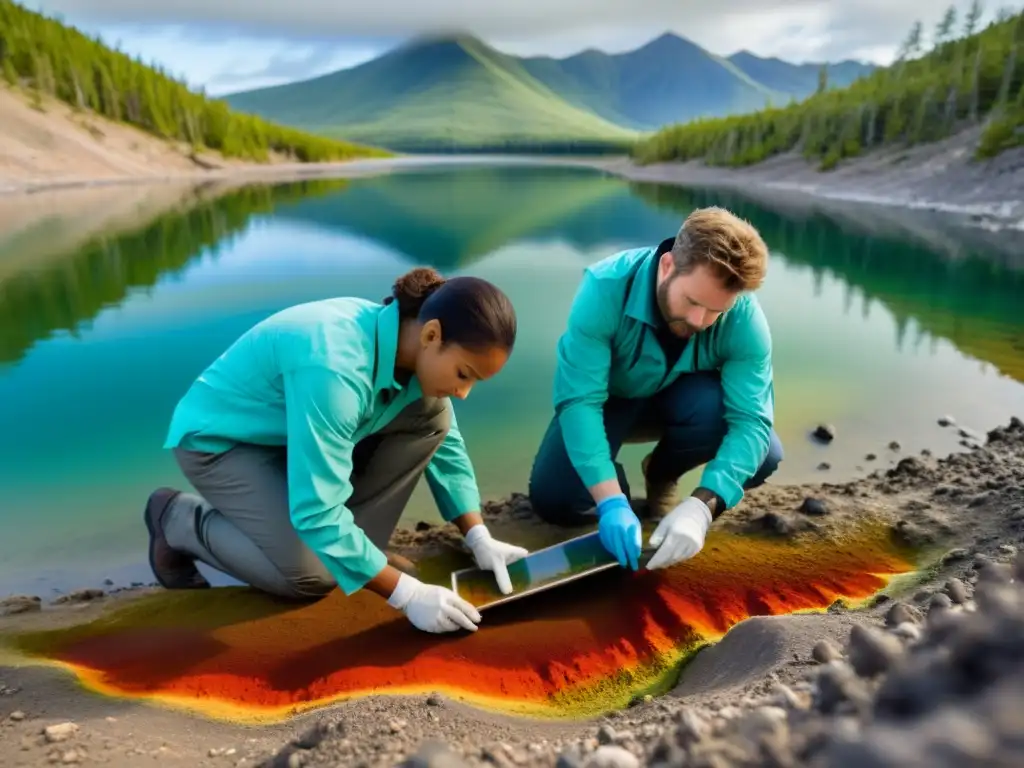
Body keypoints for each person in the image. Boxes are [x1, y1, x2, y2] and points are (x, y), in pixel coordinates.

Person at [144, 267, 528, 635]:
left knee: (435, 419)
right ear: (431, 335)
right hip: (225, 444)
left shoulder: (409, 350)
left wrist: (478, 536)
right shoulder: (335, 369)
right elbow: (316, 513)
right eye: (463, 374)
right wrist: (406, 594)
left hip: (295, 438)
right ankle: (176, 519)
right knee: (309, 577)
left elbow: (447, 443)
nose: (464, 393)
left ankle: (359, 552)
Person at [528, 206, 783, 572]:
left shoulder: (744, 317)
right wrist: (611, 502)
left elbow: (751, 424)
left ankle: (662, 473)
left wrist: (702, 507)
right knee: (555, 499)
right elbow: (580, 402)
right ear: (667, 266)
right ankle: (617, 490)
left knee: (767, 453)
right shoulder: (604, 288)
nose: (699, 321)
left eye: (715, 312)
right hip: (609, 402)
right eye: (693, 301)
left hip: (683, 401)